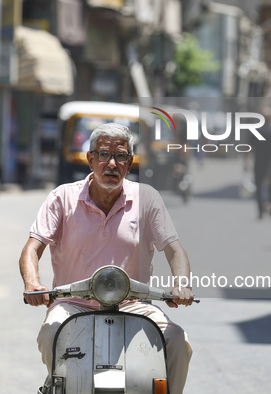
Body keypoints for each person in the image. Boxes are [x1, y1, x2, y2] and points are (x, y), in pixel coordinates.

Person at [19, 123, 194, 394]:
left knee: (177, 341)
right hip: (73, 305)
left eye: (120, 156)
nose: (111, 163)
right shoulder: (62, 197)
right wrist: (33, 283)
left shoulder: (147, 198)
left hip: (133, 305)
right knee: (50, 335)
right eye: (103, 155)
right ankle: (63, 385)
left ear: (130, 162)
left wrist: (181, 284)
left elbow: (174, 249)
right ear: (90, 159)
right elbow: (33, 248)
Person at [251, 106, 271, 219]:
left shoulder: (256, 131)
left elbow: (248, 148)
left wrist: (245, 162)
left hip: (259, 164)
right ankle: (269, 207)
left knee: (259, 187)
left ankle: (261, 210)